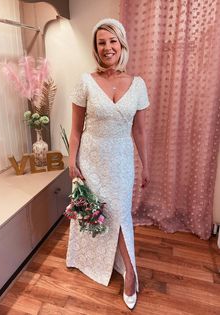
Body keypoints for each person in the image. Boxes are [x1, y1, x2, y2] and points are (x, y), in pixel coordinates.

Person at [66, 18, 150, 310]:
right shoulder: (85, 82)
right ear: (96, 48)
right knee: (98, 213)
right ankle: (121, 269)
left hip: (121, 159)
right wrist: (72, 161)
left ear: (121, 43)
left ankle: (130, 274)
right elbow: (75, 130)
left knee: (118, 213)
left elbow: (138, 131)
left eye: (112, 41)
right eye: (101, 42)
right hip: (91, 157)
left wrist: (146, 165)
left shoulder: (137, 84)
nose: (107, 47)